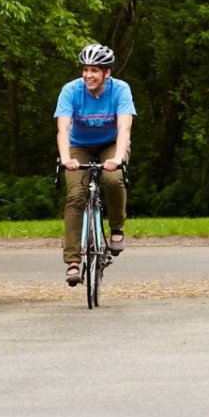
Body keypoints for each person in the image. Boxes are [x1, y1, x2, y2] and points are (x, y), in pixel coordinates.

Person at [54, 43, 136, 286]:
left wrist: (118, 158)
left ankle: (117, 228)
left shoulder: (120, 90)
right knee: (76, 196)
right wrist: (66, 157)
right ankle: (72, 261)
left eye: (94, 70)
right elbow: (63, 128)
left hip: (111, 144)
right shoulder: (71, 90)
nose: (88, 75)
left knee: (113, 179)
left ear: (106, 73)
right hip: (78, 145)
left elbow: (124, 127)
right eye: (85, 70)